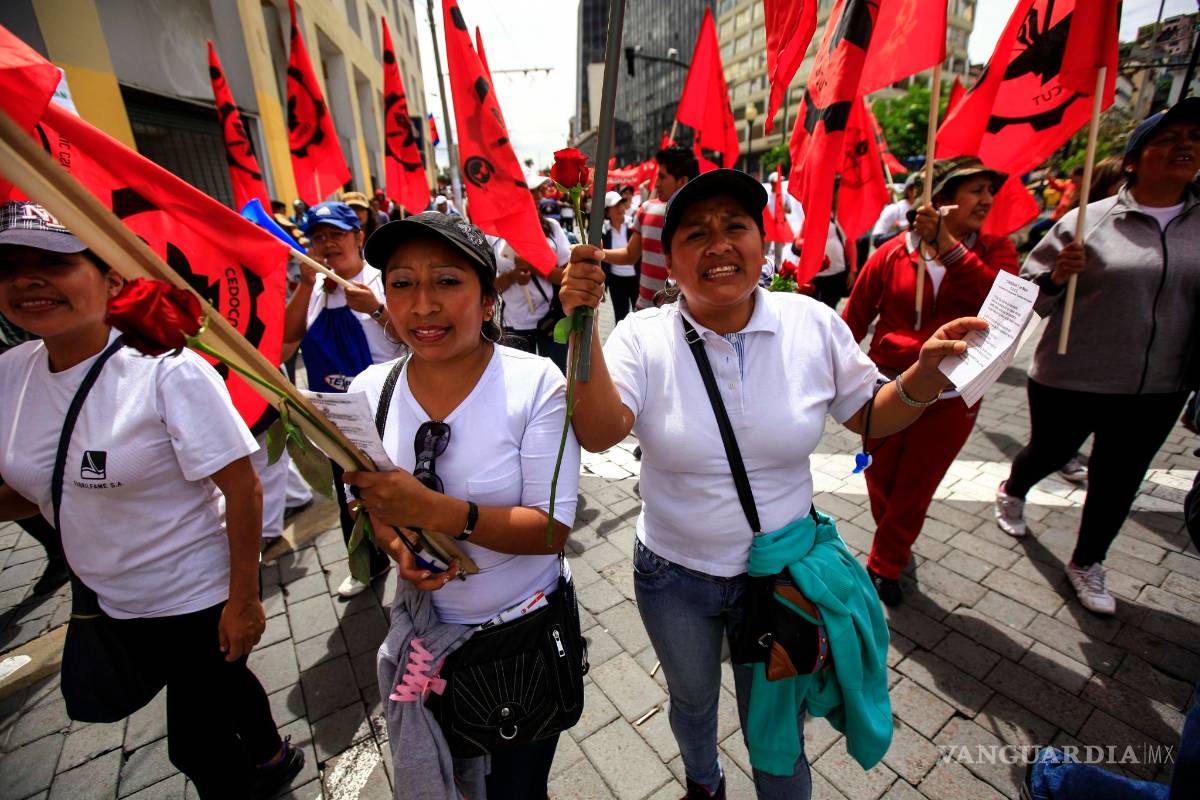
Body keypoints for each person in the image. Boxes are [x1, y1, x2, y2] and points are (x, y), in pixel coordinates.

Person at [559, 169, 986, 799]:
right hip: (674, 575)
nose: (719, 244)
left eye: (736, 226)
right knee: (693, 700)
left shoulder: (811, 323)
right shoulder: (642, 337)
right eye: (696, 234)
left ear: (763, 243)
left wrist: (925, 374)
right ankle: (703, 782)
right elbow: (598, 433)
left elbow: (868, 416)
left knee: (779, 730)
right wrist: (580, 327)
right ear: (669, 263)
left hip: (782, 576)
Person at [0, 202, 302, 798]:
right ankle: (272, 755)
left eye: (53, 263)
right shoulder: (10, 374)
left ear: (112, 280)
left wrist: (244, 600)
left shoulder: (168, 370)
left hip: (197, 596)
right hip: (110, 601)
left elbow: (242, 485)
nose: (27, 280)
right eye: (8, 267)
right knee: (224, 686)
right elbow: (30, 492)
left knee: (195, 745)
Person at [342, 212, 580, 799]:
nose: (423, 305)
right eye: (402, 283)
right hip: (425, 643)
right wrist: (399, 549)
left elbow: (551, 529)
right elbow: (369, 505)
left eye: (447, 281)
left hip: (521, 640)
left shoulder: (536, 383)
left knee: (518, 791)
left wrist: (433, 509)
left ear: (488, 299)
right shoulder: (368, 391)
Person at [995, 98, 1200, 615]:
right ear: (1132, 160)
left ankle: (1088, 560)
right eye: (1168, 139)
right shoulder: (1086, 222)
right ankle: (1014, 487)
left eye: (1194, 139)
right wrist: (1057, 276)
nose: (1185, 147)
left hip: (1161, 385)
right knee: (1049, 452)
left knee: (1119, 479)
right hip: (1072, 377)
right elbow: (1024, 297)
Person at [842, 157, 1019, 606]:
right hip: (886, 387)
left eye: (989, 190)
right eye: (975, 190)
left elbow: (1000, 307)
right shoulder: (890, 253)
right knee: (880, 480)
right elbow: (853, 321)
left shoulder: (996, 250)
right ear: (940, 200)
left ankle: (885, 563)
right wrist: (831, 375)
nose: (986, 200)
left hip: (953, 395)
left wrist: (949, 248)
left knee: (916, 487)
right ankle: (893, 538)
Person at [283, 201, 404, 597]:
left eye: (336, 234)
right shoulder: (315, 289)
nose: (328, 244)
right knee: (350, 493)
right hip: (336, 414)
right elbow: (286, 344)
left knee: (403, 486)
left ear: (358, 237)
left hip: (388, 407)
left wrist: (377, 310)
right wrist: (305, 285)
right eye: (318, 237)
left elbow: (413, 337)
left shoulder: (384, 280)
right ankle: (366, 562)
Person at [602, 146, 701, 310]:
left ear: (682, 181)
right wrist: (599, 253)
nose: (656, 183)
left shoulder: (702, 219)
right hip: (644, 311)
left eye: (662, 177)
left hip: (685, 315)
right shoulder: (646, 209)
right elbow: (630, 255)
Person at [492, 183, 572, 374]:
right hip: (513, 326)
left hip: (551, 321)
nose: (537, 196)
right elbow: (488, 287)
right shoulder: (494, 236)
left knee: (556, 379)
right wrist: (512, 276)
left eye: (538, 191)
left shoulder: (552, 228)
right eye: (530, 191)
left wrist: (533, 266)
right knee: (519, 383)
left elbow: (566, 278)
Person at [601, 190, 639, 323]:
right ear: (607, 212)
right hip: (616, 281)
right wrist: (602, 285)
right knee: (621, 318)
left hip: (636, 280)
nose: (620, 208)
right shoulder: (604, 231)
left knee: (640, 317)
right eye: (615, 206)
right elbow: (601, 260)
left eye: (621, 204)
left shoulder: (634, 226)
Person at [870, 173, 919, 247]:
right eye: (920, 188)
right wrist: (904, 232)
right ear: (909, 190)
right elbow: (876, 240)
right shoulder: (894, 209)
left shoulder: (929, 210)